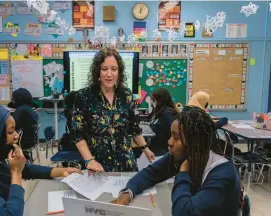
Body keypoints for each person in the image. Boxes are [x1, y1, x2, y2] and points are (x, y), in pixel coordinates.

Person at [0, 102, 81, 216]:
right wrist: (16, 173)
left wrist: (62, 171)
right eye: (10, 132)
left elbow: (26, 168)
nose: (16, 136)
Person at [111, 107, 241, 216]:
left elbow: (183, 212)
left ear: (194, 142)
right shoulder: (188, 155)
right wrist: (127, 193)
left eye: (176, 137)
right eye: (171, 135)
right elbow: (150, 174)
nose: (169, 142)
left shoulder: (223, 174)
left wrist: (183, 173)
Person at [71, 47, 154, 172]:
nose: (109, 74)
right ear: (97, 71)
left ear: (119, 72)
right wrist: (89, 160)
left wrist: (146, 150)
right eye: (104, 69)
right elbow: (77, 134)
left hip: (126, 163)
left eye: (114, 69)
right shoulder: (84, 96)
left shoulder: (126, 94)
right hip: (97, 164)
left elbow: (133, 127)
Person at [148, 88, 178, 156]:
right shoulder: (161, 111)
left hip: (162, 150)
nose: (152, 102)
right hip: (158, 147)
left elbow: (168, 135)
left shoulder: (167, 114)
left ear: (160, 100)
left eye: (154, 100)